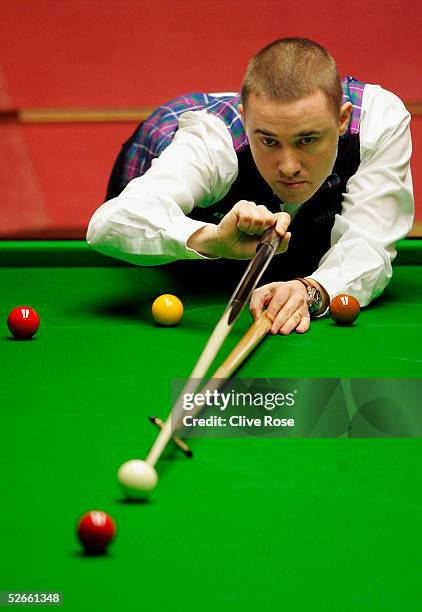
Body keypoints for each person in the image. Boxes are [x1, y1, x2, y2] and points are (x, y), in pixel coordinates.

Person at [86, 37, 413, 335]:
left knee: (306, 250)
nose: (288, 166)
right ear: (245, 121)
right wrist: (212, 239)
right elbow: (109, 224)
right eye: (268, 141)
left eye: (308, 140)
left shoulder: (376, 123)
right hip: (166, 152)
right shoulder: (212, 140)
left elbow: (369, 242)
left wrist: (309, 287)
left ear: (341, 120)